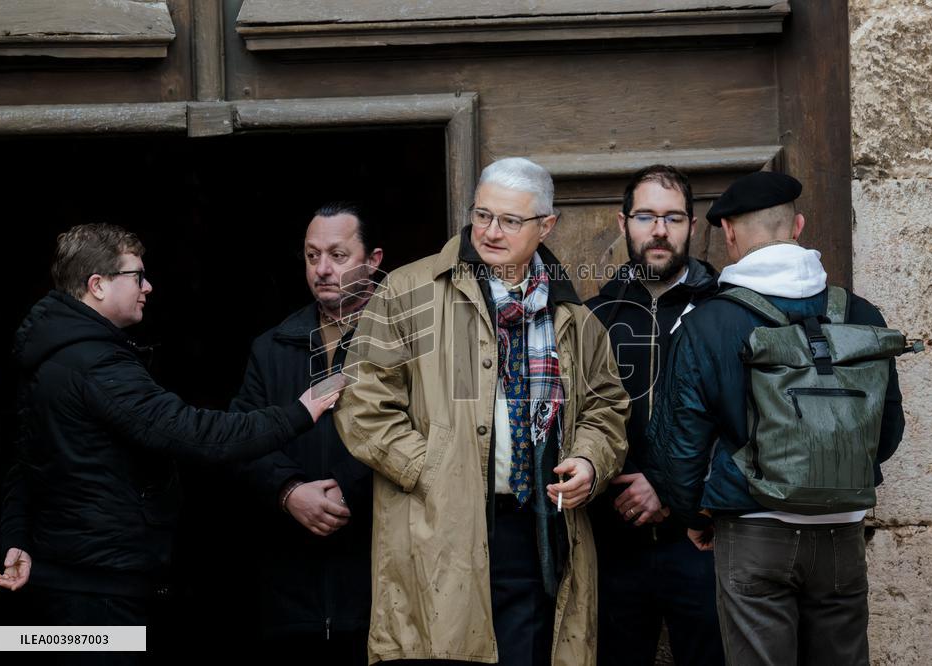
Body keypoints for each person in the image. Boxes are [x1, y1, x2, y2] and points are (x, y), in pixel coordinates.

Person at [334, 157, 629, 665]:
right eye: (483, 215)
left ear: (546, 226)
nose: (491, 232)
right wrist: (430, 467)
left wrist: (588, 460)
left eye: (510, 221)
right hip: (439, 525)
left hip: (536, 530)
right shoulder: (408, 291)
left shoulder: (572, 314)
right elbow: (362, 400)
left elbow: (605, 405)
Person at [0, 223, 336, 642]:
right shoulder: (95, 364)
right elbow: (195, 435)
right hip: (98, 593)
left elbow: (26, 462)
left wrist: (15, 536)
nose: (148, 286)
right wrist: (299, 412)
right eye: (137, 275)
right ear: (97, 285)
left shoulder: (51, 353)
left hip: (70, 580)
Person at [645, 172, 905, 665]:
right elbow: (887, 432)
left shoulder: (706, 323)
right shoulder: (861, 314)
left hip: (753, 532)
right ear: (798, 226)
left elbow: (679, 448)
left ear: (729, 233)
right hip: (841, 535)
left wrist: (696, 515)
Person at [229, 202, 383, 662]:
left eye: (338, 255)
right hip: (289, 592)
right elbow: (239, 440)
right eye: (312, 256)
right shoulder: (272, 346)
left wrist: (350, 487)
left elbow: (428, 434)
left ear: (373, 260)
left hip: (380, 586)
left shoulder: (406, 341)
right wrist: (289, 490)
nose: (323, 269)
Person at [586, 165, 724, 665]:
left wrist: (668, 487)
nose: (660, 230)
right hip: (610, 541)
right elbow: (577, 417)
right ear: (623, 223)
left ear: (693, 226)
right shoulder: (591, 317)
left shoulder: (724, 312)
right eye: (646, 216)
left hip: (705, 539)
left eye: (673, 218)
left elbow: (743, 421)